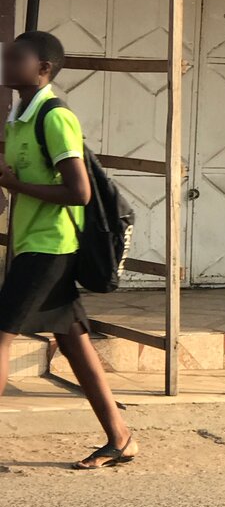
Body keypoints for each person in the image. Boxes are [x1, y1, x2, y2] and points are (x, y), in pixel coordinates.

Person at [0, 30, 137, 469]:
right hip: (32, 244)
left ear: (43, 69)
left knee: (0, 336)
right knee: (74, 342)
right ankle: (120, 438)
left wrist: (14, 183)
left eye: (15, 57)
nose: (5, 62)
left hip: (51, 247)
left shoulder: (55, 117)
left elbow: (78, 192)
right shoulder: (20, 115)